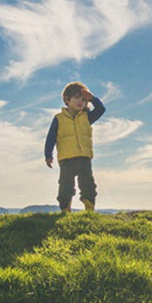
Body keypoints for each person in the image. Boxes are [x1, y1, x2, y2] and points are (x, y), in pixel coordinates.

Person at [44, 82, 106, 213]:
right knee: (65, 186)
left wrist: (92, 98)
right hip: (66, 159)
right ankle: (65, 208)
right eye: (77, 97)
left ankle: (89, 208)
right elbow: (51, 138)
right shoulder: (59, 118)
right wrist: (48, 155)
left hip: (84, 158)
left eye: (84, 99)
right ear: (67, 99)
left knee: (88, 185)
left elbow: (101, 109)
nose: (81, 101)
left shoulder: (87, 117)